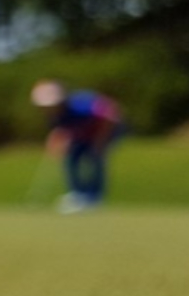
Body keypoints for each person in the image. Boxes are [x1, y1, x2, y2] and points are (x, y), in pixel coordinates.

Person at [30, 79, 124, 213]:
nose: (47, 109)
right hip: (83, 135)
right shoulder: (53, 115)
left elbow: (109, 117)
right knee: (71, 158)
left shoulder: (80, 105)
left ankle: (94, 199)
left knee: (96, 159)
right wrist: (55, 142)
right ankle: (78, 196)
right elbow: (62, 129)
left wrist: (100, 142)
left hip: (105, 131)